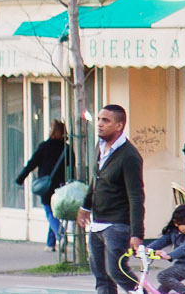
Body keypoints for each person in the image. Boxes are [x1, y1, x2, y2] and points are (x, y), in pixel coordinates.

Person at [77, 105, 145, 294]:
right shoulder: (101, 147)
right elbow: (96, 179)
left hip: (117, 224)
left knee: (117, 271)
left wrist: (137, 233)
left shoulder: (129, 156)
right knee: (101, 276)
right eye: (99, 119)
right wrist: (85, 206)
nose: (99, 124)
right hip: (97, 223)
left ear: (119, 125)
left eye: (105, 121)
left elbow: (136, 195)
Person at [16, 119, 73, 251]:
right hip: (62, 185)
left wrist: (20, 179)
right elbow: (72, 167)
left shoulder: (45, 146)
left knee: (49, 212)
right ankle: (50, 243)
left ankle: (60, 234)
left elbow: (32, 164)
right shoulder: (67, 148)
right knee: (55, 212)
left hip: (47, 186)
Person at [146, 204, 185, 294]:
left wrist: (169, 256)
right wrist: (147, 248)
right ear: (176, 223)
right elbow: (163, 241)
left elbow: (184, 248)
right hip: (180, 265)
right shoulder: (174, 232)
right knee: (161, 291)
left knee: (163, 276)